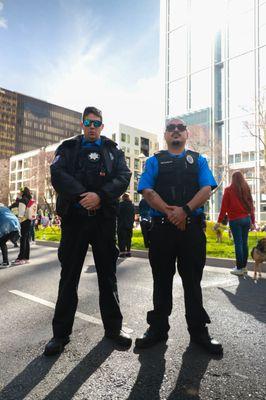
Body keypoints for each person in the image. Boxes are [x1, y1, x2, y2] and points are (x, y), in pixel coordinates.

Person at [44, 106, 132, 356]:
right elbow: (57, 174)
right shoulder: (68, 148)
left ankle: (114, 330)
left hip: (103, 220)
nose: (92, 127)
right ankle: (60, 335)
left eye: (97, 123)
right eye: (88, 123)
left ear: (102, 126)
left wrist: (100, 196)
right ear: (82, 125)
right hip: (75, 220)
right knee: (69, 277)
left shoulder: (113, 150)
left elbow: (124, 176)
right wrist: (84, 196)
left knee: (108, 276)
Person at [135, 118, 223, 355]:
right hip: (162, 229)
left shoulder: (199, 160)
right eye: (171, 128)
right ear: (165, 135)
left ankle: (198, 331)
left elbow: (206, 189)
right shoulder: (154, 161)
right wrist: (171, 213)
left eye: (180, 128)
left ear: (186, 135)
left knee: (192, 281)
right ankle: (157, 329)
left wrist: (184, 211)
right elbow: (146, 190)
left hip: (192, 230)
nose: (175, 131)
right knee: (161, 280)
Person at [215, 171, 255, 276]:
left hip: (235, 220)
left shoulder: (228, 190)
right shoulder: (246, 189)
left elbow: (223, 208)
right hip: (246, 219)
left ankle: (239, 268)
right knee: (244, 243)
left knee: (238, 244)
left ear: (232, 179)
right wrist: (253, 221)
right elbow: (251, 206)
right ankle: (244, 267)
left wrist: (218, 222)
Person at [9, 187, 36, 265]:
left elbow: (21, 214)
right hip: (29, 221)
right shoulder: (29, 200)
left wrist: (18, 222)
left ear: (22, 192)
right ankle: (26, 258)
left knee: (22, 240)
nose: (19, 193)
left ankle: (21, 258)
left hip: (23, 222)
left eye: (19, 192)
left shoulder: (22, 200)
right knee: (26, 239)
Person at [0, 203, 20, 268]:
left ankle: (5, 262)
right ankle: (6, 262)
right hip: (16, 225)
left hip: (6, 226)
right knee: (2, 242)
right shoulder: (6, 208)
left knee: (2, 242)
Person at [117, 193, 135, 257]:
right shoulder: (132, 205)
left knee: (121, 238)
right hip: (130, 225)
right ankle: (128, 252)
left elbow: (117, 214)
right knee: (128, 238)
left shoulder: (120, 205)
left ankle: (122, 252)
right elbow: (133, 215)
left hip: (122, 224)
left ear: (123, 198)